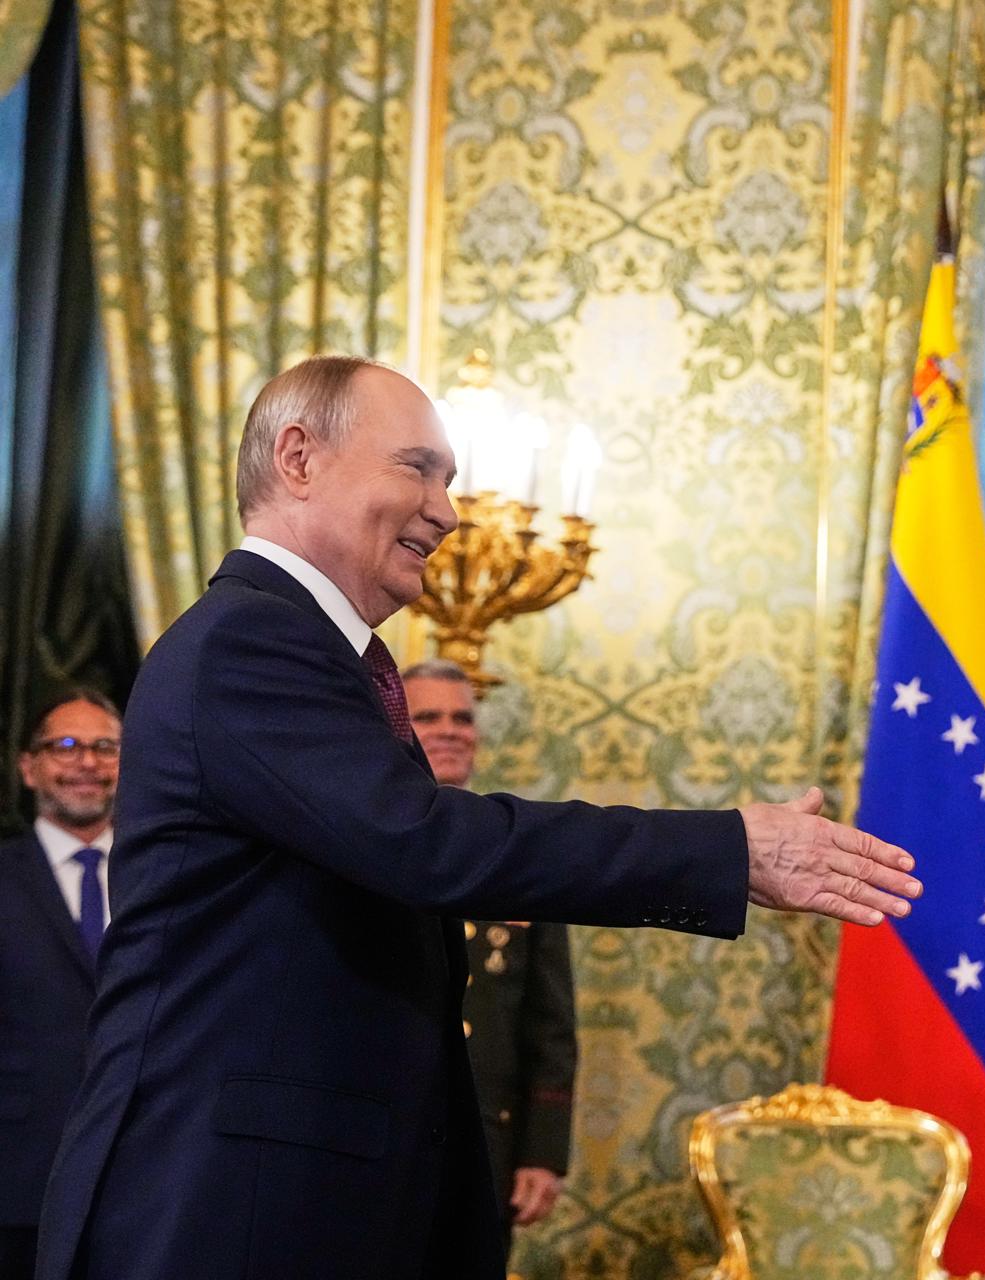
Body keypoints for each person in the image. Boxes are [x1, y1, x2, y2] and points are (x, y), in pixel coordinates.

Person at [35, 355, 921, 1280]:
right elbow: (425, 842)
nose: (448, 512)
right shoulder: (250, 639)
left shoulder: (316, 653)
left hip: (301, 1200)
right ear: (298, 458)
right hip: (230, 1207)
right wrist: (726, 847)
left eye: (448, 479)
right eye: (416, 468)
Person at [401, 658, 576, 1252]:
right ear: (393, 726)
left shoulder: (515, 848)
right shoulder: (346, 844)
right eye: (427, 716)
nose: (450, 729)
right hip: (382, 1134)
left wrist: (541, 1152)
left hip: (485, 1143)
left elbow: (550, 1021)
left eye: (462, 717)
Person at [0, 692, 120, 1280]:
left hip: (148, 1176)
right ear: (28, 767)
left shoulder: (170, 875)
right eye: (65, 747)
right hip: (18, 1181)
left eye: (106, 747)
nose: (87, 764)